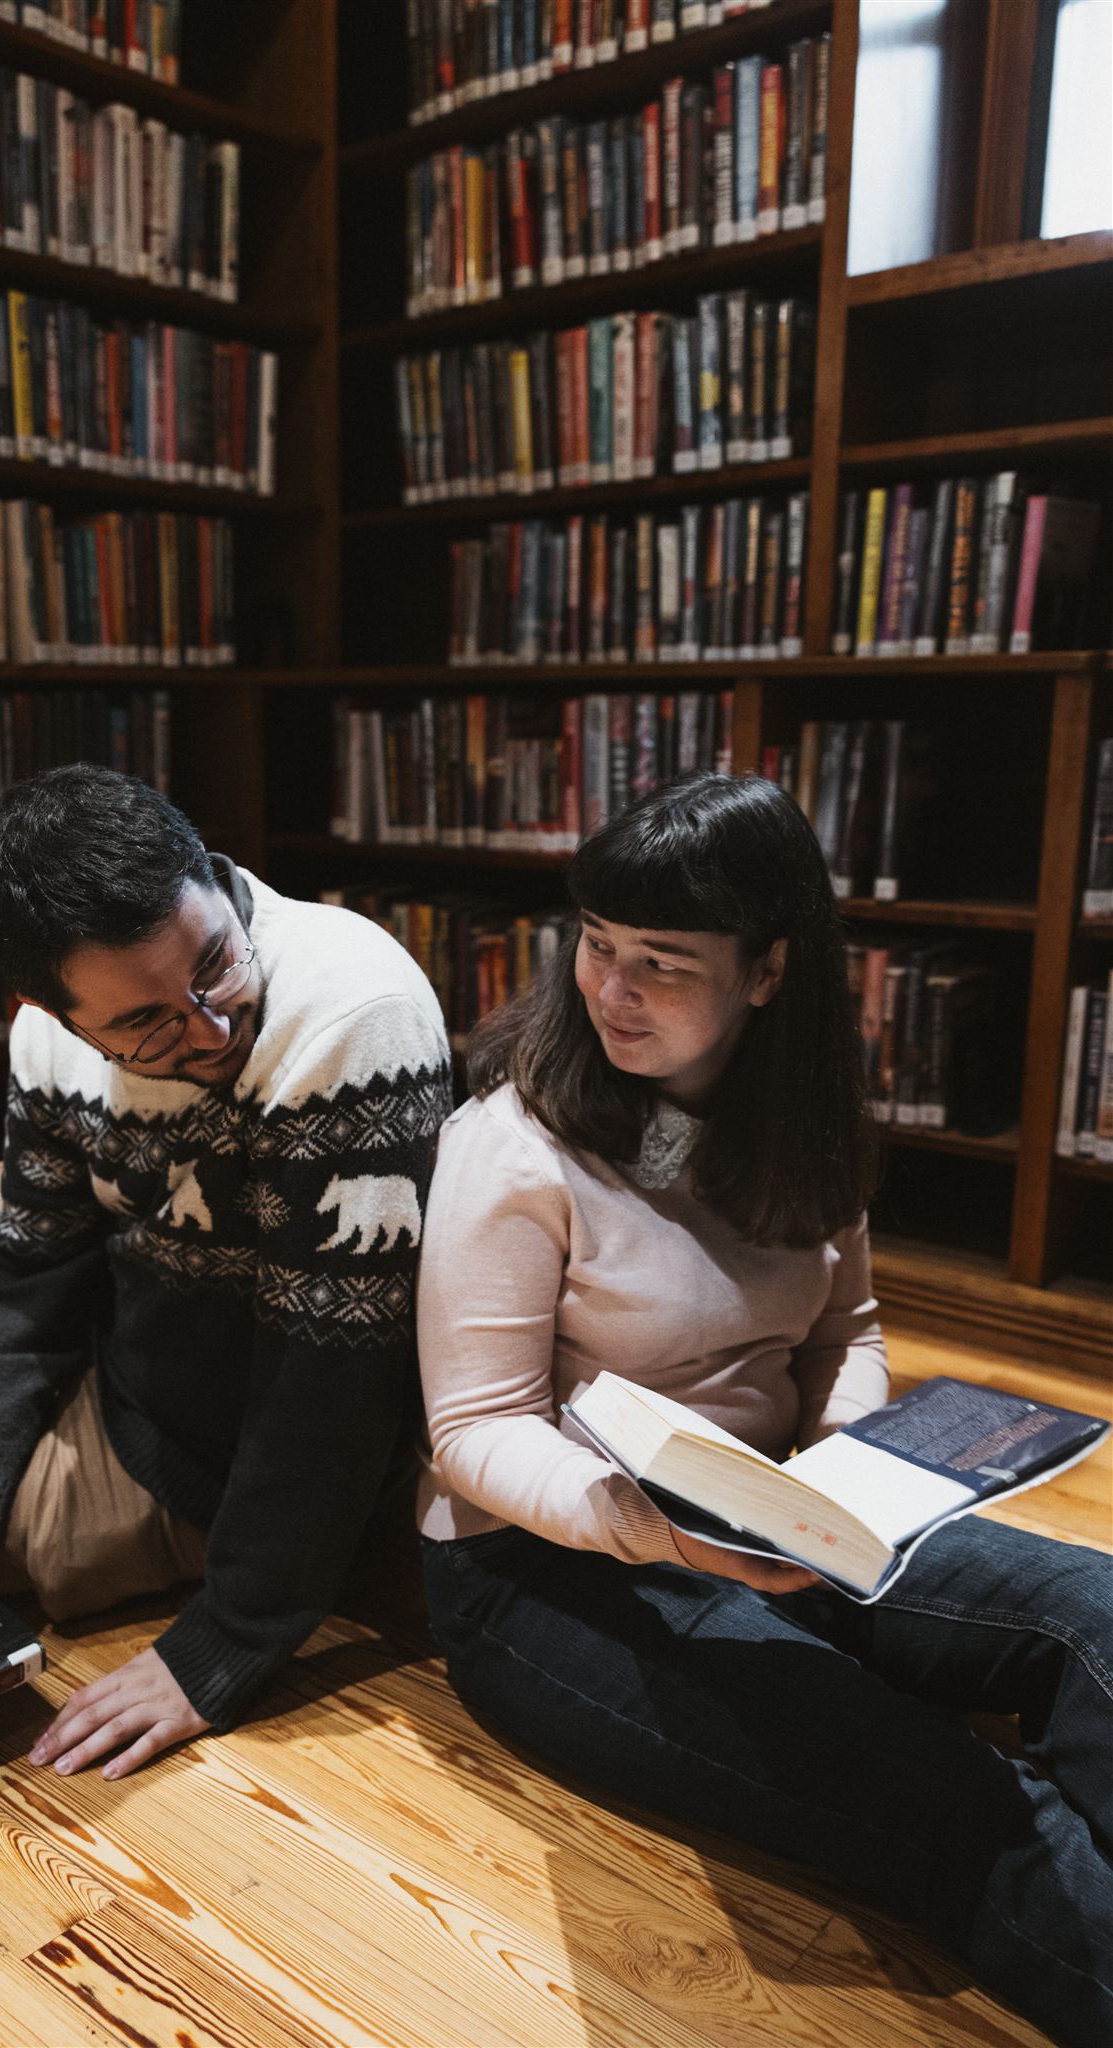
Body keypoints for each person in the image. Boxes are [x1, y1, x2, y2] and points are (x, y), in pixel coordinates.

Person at [413, 772, 1112, 2048]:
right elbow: (472, 1430)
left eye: (662, 963)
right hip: (556, 1561)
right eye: (599, 947)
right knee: (940, 1791)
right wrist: (663, 1532)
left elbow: (849, 1329)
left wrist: (845, 1457)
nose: (611, 991)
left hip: (785, 1500)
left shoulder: (804, 1117)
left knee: (1092, 1609)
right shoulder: (510, 1145)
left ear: (770, 971)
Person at [0, 764, 451, 1778]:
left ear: (216, 882)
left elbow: (331, 1382)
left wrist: (225, 1639)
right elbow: (34, 1259)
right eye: (145, 1024)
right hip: (146, 1284)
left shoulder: (351, 1013)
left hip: (216, 1412)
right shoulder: (48, 1040)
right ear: (55, 1013)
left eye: (215, 965)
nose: (212, 1027)